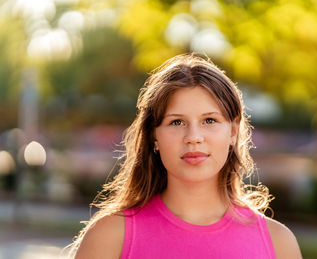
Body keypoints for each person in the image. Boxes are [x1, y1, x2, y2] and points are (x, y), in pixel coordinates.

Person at [68, 53, 302, 258]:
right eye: (176, 122)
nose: (193, 137)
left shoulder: (279, 244)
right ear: (154, 136)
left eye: (209, 120)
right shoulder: (110, 237)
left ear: (232, 131)